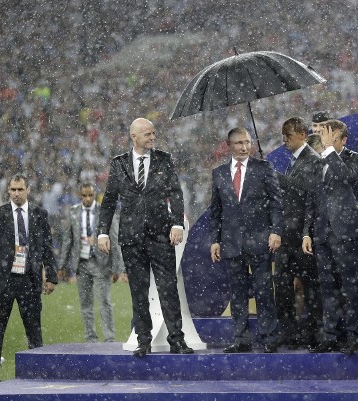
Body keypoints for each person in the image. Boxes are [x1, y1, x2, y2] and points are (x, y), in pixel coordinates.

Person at [97, 118, 193, 357]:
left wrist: (177, 223)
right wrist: (102, 232)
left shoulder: (164, 159)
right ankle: (144, 341)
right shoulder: (119, 164)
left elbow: (175, 192)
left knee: (168, 289)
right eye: (147, 134)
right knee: (138, 292)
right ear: (134, 137)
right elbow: (109, 201)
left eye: (153, 133)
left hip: (161, 235)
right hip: (131, 238)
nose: (152, 137)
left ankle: (177, 340)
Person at [209, 127, 283, 354]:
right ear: (229, 145)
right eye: (239, 143)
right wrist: (215, 240)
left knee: (263, 291)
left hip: (260, 240)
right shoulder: (219, 173)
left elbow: (276, 202)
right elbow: (216, 210)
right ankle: (241, 339)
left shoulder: (264, 168)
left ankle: (269, 338)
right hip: (231, 243)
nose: (244, 147)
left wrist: (276, 231)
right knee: (237, 294)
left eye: (247, 142)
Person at [0, 174, 59, 385]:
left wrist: (51, 276)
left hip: (29, 280)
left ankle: (39, 374)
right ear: (8, 190)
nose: (16, 193)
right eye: (13, 190)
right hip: (2, 281)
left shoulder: (40, 214)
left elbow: (46, 247)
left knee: (34, 330)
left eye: (20, 189)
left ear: (28, 190)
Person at [302, 120, 358, 355]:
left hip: (347, 233)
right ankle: (331, 335)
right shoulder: (316, 162)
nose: (324, 141)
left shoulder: (355, 158)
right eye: (322, 136)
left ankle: (354, 336)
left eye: (330, 137)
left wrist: (330, 151)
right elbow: (312, 199)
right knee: (327, 287)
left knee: (351, 287)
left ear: (343, 140)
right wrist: (306, 232)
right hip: (322, 233)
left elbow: (346, 177)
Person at [274, 117, 322, 349]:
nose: (284, 140)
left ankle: (313, 332)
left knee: (309, 285)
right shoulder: (294, 161)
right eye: (283, 135)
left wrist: (278, 178)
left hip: (303, 234)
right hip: (287, 232)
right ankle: (288, 331)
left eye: (289, 135)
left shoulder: (313, 160)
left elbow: (307, 193)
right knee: (283, 284)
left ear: (302, 135)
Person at [59, 183, 123, 343]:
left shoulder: (104, 211)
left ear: (95, 195)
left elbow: (114, 240)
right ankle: (91, 338)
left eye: (90, 195)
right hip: (81, 264)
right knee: (85, 304)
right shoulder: (73, 212)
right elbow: (68, 240)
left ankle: (109, 338)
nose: (87, 199)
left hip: (101, 263)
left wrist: (117, 268)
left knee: (104, 302)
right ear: (80, 196)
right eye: (84, 196)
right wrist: (62, 265)